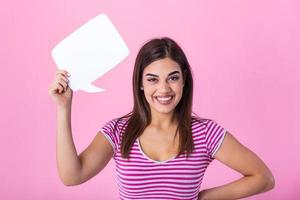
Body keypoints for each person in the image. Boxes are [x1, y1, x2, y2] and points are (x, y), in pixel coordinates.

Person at [48, 37, 275, 200]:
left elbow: (263, 178)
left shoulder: (206, 134)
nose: (164, 89)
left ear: (184, 81)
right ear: (140, 83)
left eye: (173, 78)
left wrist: (203, 198)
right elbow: (72, 176)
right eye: (153, 79)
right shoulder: (118, 131)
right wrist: (63, 108)